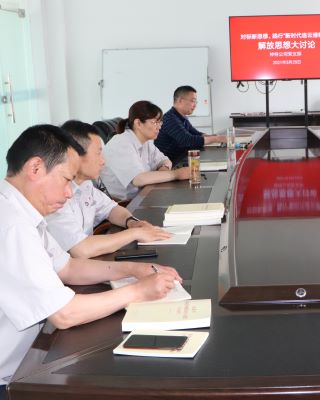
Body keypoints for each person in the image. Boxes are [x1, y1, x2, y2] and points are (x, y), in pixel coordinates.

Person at [0, 125, 182, 398]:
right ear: (35, 168)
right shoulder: (12, 224)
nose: (69, 193)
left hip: (28, 356)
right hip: (12, 377)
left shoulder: (22, 212)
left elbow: (68, 267)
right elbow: (64, 314)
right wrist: (138, 291)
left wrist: (133, 269)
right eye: (65, 180)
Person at [45, 120, 172, 258]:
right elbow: (81, 249)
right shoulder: (55, 195)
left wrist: (133, 223)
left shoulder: (85, 184)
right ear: (74, 155)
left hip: (87, 263)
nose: (103, 161)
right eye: (98, 153)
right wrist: (134, 233)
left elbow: (111, 209)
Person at [100, 100, 190, 200]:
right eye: (154, 122)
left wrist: (164, 169)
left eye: (160, 122)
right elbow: (139, 179)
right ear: (138, 123)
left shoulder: (146, 141)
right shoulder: (121, 143)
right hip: (124, 203)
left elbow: (164, 160)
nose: (159, 127)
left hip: (143, 196)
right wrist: (176, 174)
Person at [154, 85, 226, 165]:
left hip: (180, 159)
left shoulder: (181, 116)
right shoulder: (170, 118)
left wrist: (214, 136)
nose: (195, 105)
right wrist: (216, 139)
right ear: (180, 100)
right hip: (168, 165)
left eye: (195, 102)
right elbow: (187, 140)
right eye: (192, 101)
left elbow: (196, 133)